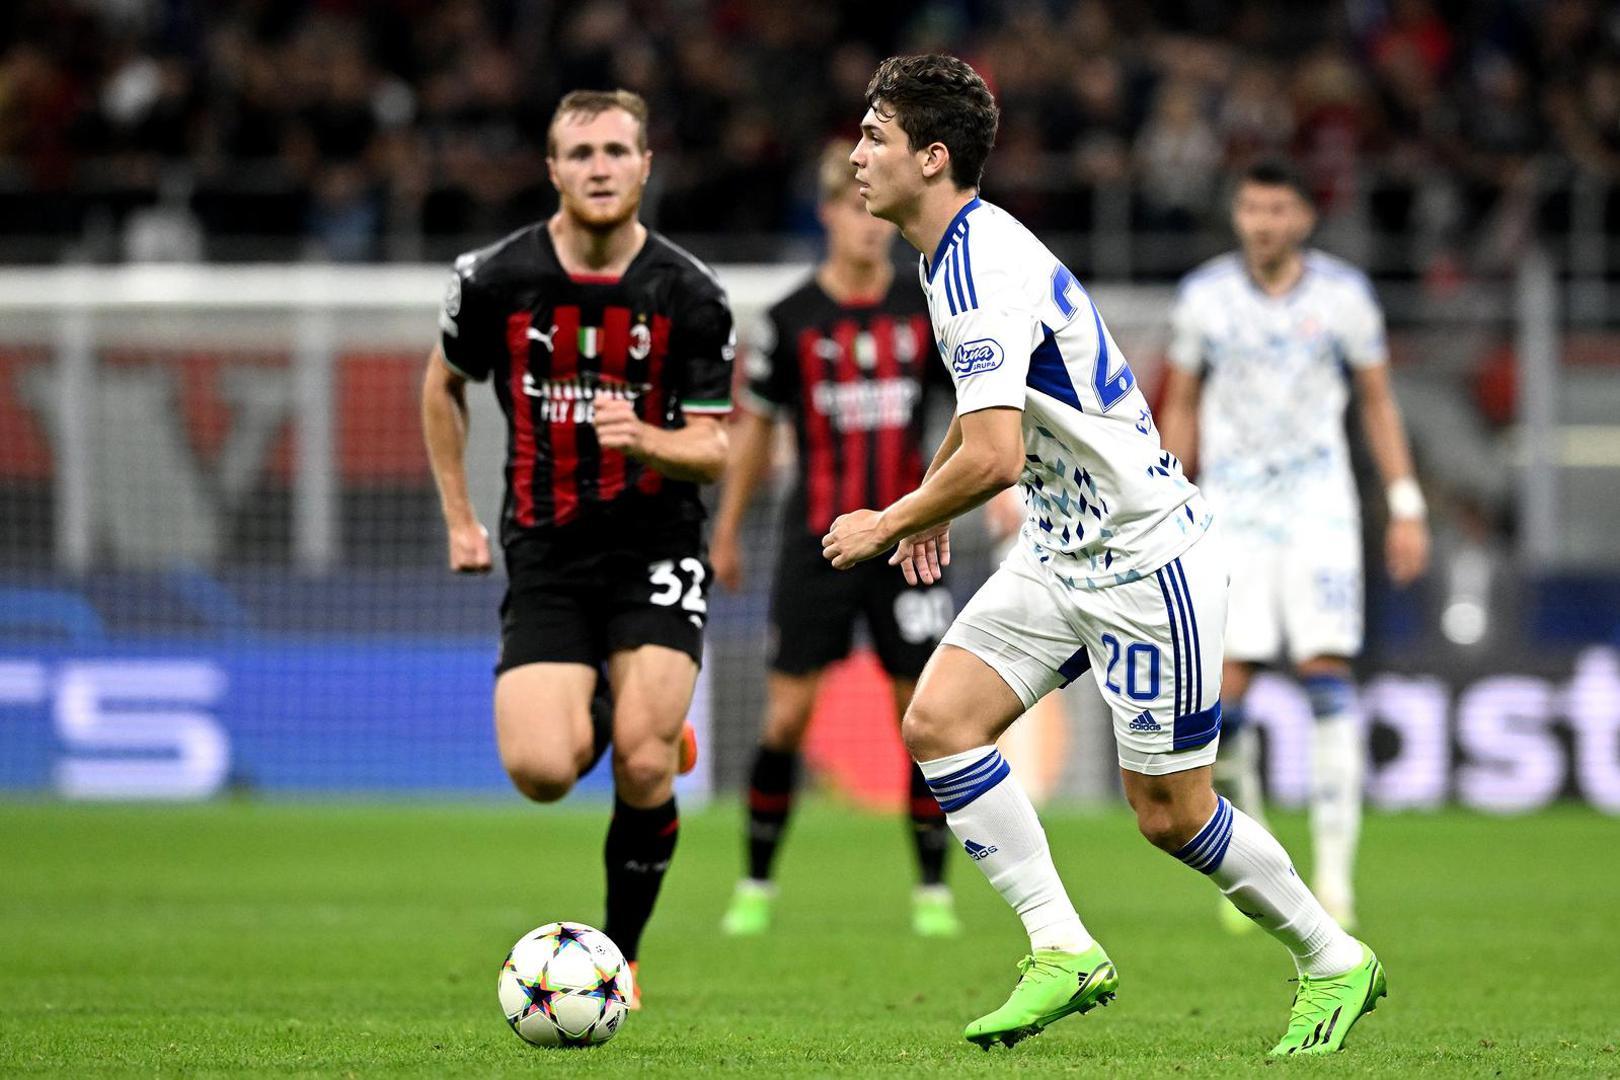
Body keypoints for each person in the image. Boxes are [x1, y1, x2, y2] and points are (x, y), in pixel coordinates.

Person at [822, 55, 1385, 1056]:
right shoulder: (944, 253)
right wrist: (936, 494)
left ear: (934, 156)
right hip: (1060, 546)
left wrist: (896, 517)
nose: (857, 155)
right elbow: (990, 420)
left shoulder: (979, 265)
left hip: (1143, 558)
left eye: (875, 137)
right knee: (942, 721)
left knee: (1171, 816)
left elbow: (994, 456)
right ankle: (1061, 949)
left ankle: (1333, 957)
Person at [420, 89, 735, 1007]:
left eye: (616, 151)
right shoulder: (492, 279)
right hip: (548, 550)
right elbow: (442, 386)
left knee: (642, 761)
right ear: (552, 169)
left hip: (656, 544)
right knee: (541, 773)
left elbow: (714, 447)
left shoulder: (691, 294)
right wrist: (457, 517)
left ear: (645, 165)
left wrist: (645, 438)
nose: (600, 167)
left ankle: (621, 956)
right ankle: (620, 695)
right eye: (581, 152)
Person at [1157, 159, 1430, 931]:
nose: (1264, 223)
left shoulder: (1343, 297)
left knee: (1325, 673)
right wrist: (1172, 499)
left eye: (1278, 209)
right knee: (1229, 689)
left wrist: (1405, 505)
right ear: (1237, 215)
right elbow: (1181, 402)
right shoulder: (1204, 298)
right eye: (1251, 208)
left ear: (1304, 217)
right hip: (1233, 512)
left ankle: (1336, 881)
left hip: (1320, 511)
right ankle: (1254, 866)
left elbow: (1377, 402)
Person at [711, 141, 959, 939]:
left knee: (920, 718)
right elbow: (755, 432)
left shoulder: (924, 312)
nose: (869, 226)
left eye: (876, 211)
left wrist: (983, 502)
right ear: (828, 215)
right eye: (854, 208)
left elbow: (972, 415)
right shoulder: (789, 321)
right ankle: (755, 884)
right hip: (815, 543)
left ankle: (932, 892)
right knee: (785, 719)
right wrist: (726, 531)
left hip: (906, 544)